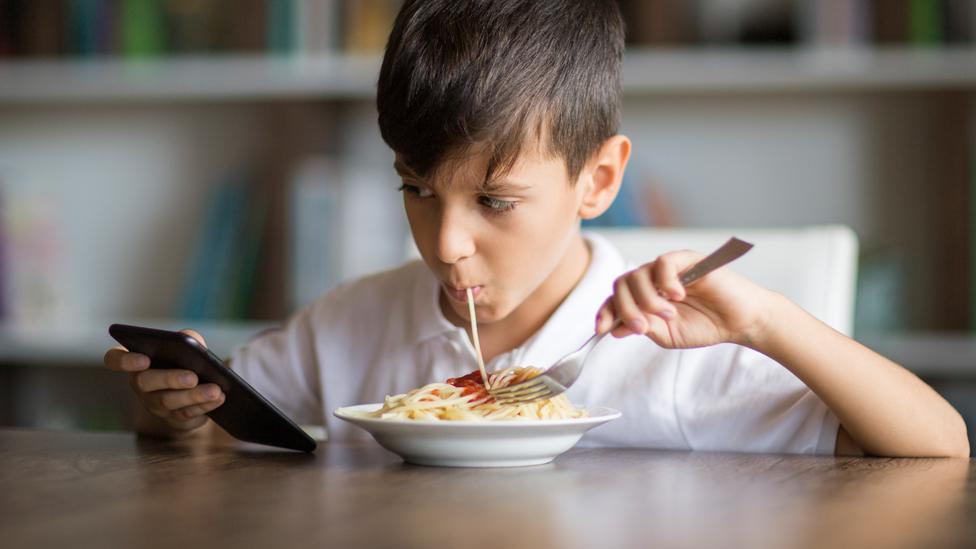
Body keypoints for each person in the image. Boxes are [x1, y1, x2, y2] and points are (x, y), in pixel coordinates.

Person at [104, 0, 967, 457]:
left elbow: (940, 446)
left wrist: (768, 322)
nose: (444, 244)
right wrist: (173, 413)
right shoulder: (354, 325)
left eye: (494, 201)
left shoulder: (663, 355)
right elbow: (214, 415)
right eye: (416, 189)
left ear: (598, 179)